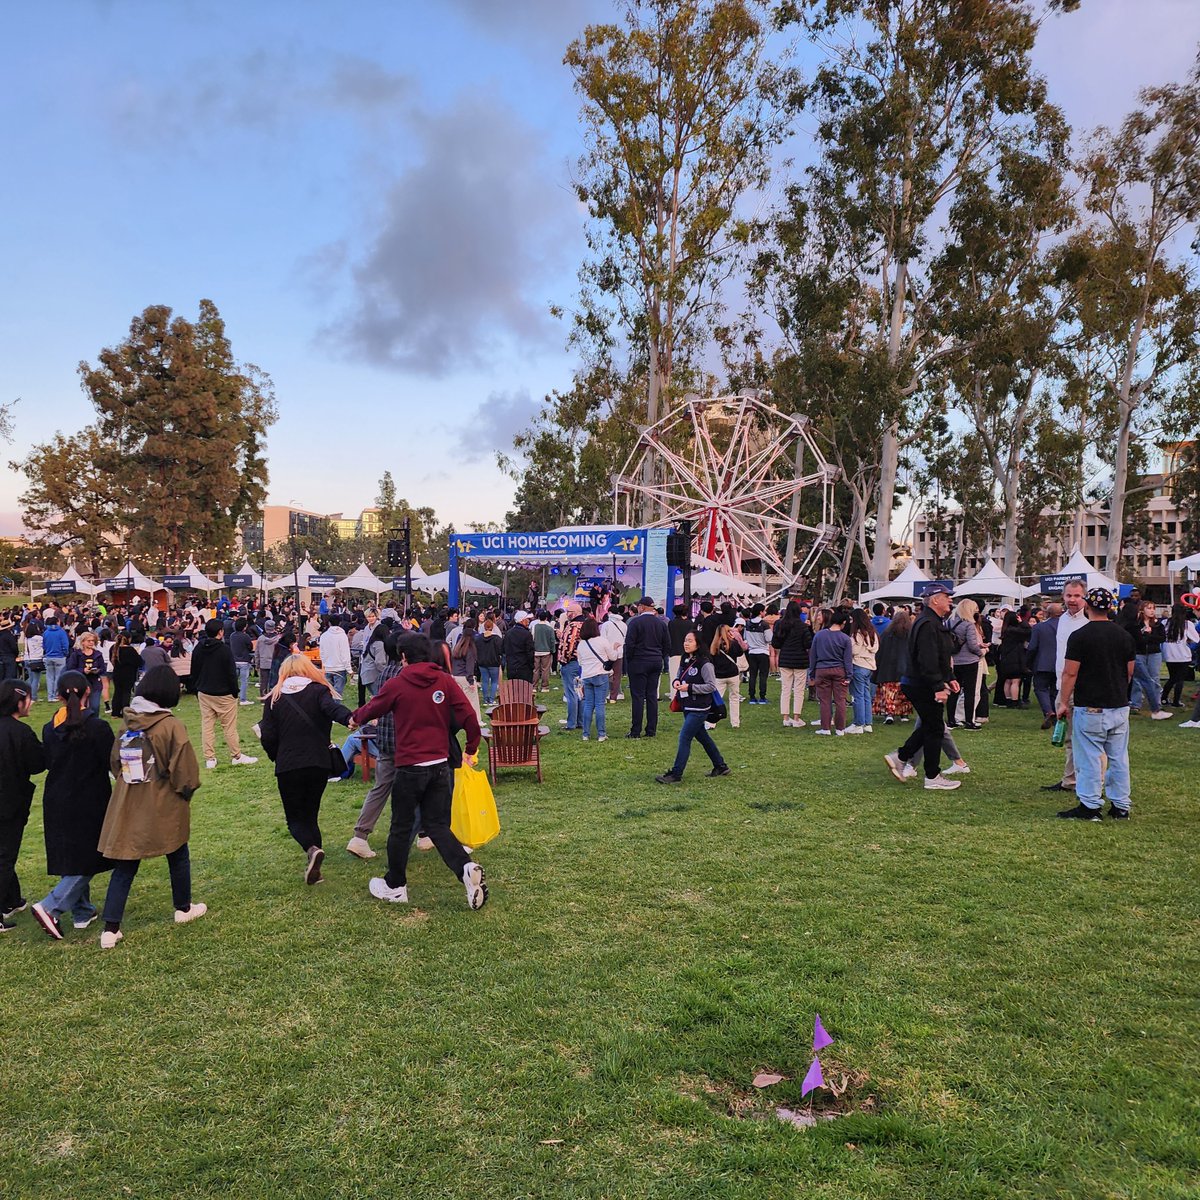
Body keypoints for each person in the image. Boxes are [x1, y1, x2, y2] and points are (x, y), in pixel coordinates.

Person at [351, 634, 488, 910]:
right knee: (437, 825)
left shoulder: (398, 683)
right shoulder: (445, 681)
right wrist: (471, 747)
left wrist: (354, 718)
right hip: (439, 767)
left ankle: (395, 885)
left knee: (401, 828)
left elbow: (373, 707)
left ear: (403, 657)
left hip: (410, 768)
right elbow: (471, 719)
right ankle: (465, 867)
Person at [96, 666, 206, 947]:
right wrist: (185, 792)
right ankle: (183, 908)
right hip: (163, 800)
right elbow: (185, 772)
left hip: (128, 801)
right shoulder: (170, 725)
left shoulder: (126, 722)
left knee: (125, 864)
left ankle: (111, 928)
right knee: (178, 852)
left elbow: (114, 763)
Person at [30, 672, 115, 939]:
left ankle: (82, 910)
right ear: (88, 692)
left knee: (73, 853)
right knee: (90, 856)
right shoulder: (98, 728)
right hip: (89, 799)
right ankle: (51, 906)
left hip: (57, 797)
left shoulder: (49, 728)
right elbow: (111, 762)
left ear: (58, 695)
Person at [259, 655, 353, 884]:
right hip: (318, 762)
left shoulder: (275, 698)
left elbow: (268, 736)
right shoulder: (318, 691)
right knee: (311, 815)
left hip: (289, 764)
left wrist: (276, 756)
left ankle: (312, 851)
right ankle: (316, 868)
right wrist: (350, 718)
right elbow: (332, 709)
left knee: (294, 819)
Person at [1055, 588, 1136, 820]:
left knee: (1089, 756)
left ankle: (1090, 806)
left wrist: (1063, 703)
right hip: (1119, 705)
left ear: (1087, 607)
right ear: (1111, 607)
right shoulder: (1124, 636)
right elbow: (1130, 672)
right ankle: (1121, 805)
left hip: (1090, 705)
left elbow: (1070, 673)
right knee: (1119, 757)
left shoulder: (1080, 636)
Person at [883, 585, 962, 790]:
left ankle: (901, 757)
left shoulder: (931, 622)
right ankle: (931, 776)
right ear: (934, 600)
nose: (950, 601)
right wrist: (938, 685)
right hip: (923, 684)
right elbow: (927, 658)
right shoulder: (928, 624)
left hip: (921, 682)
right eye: (947, 597)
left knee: (931, 725)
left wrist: (949, 677)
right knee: (934, 727)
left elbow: (940, 655)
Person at [346, 636, 405, 859]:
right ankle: (424, 832)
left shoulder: (382, 675)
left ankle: (360, 836)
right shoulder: (402, 676)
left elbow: (375, 706)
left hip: (385, 741)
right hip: (403, 740)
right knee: (416, 788)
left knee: (380, 788)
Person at [0, 680, 47, 931]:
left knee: (5, 853)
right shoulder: (20, 732)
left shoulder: (17, 732)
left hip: (9, 800)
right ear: (19, 701)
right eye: (29, 698)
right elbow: (38, 763)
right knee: (5, 855)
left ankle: (11, 899)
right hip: (8, 802)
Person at [655, 631, 729, 783]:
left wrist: (690, 688)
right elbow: (680, 675)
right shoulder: (686, 658)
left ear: (698, 644)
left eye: (690, 641)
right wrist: (676, 681)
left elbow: (710, 686)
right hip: (687, 705)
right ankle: (721, 766)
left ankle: (676, 774)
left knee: (684, 737)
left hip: (699, 708)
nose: (686, 643)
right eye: (685, 640)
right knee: (702, 737)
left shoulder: (705, 663)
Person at [1041, 581, 1090, 795]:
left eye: (1077, 595)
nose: (1072, 599)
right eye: (1069, 595)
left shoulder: (1089, 621)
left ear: (1085, 597)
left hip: (1082, 687)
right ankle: (1070, 780)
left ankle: (1086, 782)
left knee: (1084, 738)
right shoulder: (1061, 620)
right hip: (1063, 685)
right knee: (1068, 737)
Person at [191, 619, 257, 770]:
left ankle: (210, 758)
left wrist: (196, 689)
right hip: (223, 693)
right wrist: (235, 692)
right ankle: (236, 756)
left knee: (207, 725)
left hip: (205, 692)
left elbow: (193, 671)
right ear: (220, 632)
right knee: (229, 727)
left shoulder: (198, 648)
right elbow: (230, 673)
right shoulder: (224, 650)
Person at [622, 596, 670, 739]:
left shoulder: (635, 623)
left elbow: (629, 644)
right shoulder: (661, 624)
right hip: (655, 661)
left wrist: (630, 660)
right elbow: (667, 645)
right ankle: (651, 730)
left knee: (637, 697)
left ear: (641, 607)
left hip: (638, 662)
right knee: (651, 696)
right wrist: (660, 657)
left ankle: (636, 730)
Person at [808, 610, 852, 735]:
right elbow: (847, 659)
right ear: (843, 622)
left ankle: (825, 728)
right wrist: (848, 676)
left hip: (821, 669)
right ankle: (840, 729)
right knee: (840, 700)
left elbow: (813, 656)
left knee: (824, 700)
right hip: (839, 670)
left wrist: (812, 673)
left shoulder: (819, 635)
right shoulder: (845, 638)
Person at [946, 598, 987, 729]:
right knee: (970, 691)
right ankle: (969, 721)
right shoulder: (969, 624)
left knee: (954, 690)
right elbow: (972, 645)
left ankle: (951, 720)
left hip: (953, 660)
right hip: (969, 661)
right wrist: (982, 651)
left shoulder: (949, 622)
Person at [772, 600, 813, 728]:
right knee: (799, 689)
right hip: (800, 660)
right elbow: (808, 644)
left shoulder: (780, 624)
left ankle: (785, 717)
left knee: (785, 689)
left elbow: (775, 643)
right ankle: (796, 717)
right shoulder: (802, 626)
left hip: (785, 659)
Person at [577, 615, 617, 742]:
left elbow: (580, 662)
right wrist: (615, 648)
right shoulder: (602, 641)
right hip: (600, 674)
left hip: (587, 675)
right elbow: (613, 657)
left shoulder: (581, 644)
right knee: (600, 705)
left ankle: (585, 734)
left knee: (588, 704)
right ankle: (601, 734)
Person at [1130, 600, 1171, 719]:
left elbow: (1162, 638)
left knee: (1154, 678)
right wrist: (1145, 635)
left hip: (1154, 653)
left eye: (1153, 608)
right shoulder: (1137, 624)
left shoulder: (1158, 624)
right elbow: (1136, 638)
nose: (1152, 610)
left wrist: (1150, 635)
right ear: (1142, 610)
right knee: (1138, 679)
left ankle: (1156, 703)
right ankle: (1136, 703)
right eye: (1149, 608)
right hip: (1140, 653)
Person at [873, 609, 914, 724]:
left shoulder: (887, 634)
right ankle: (904, 713)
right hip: (906, 669)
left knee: (889, 693)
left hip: (888, 669)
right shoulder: (911, 635)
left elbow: (880, 652)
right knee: (904, 694)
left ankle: (889, 713)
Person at [1026, 601, 1062, 728]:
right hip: (1060, 664)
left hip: (1042, 663)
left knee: (1040, 688)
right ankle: (1055, 713)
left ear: (1047, 613)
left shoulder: (1039, 627)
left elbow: (1032, 647)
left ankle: (1048, 711)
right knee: (1055, 690)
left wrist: (1028, 663)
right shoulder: (1066, 627)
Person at [847, 608, 878, 733]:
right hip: (869, 666)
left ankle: (858, 723)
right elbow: (875, 648)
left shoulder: (857, 634)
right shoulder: (872, 633)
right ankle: (867, 723)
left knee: (857, 695)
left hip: (858, 665)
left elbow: (854, 651)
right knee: (866, 695)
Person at [1163, 602, 1199, 708]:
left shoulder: (1165, 622)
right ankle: (1176, 701)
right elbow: (1196, 639)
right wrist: (1188, 641)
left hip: (1169, 655)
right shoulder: (1187, 624)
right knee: (1180, 679)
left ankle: (1164, 698)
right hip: (1183, 655)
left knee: (1172, 678)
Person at [64, 629, 107, 716]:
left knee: (95, 706)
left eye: (93, 641)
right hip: (80, 683)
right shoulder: (76, 654)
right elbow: (70, 669)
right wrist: (82, 670)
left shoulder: (98, 654)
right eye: (89, 641)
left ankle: (94, 724)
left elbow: (103, 668)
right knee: (80, 706)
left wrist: (96, 671)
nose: (91, 643)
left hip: (95, 683)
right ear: (83, 642)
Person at [710, 623, 745, 729]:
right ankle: (735, 722)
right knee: (734, 698)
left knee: (716, 699)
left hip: (719, 676)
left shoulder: (714, 645)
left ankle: (711, 723)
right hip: (733, 674)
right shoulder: (733, 643)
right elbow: (740, 652)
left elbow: (711, 659)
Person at [557, 604, 585, 732]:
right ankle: (580, 721)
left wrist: (564, 660)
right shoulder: (585, 624)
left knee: (571, 693)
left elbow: (570, 644)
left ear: (574, 613)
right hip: (581, 663)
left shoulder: (574, 625)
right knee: (579, 692)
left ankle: (571, 723)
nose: (567, 613)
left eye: (569, 611)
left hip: (571, 662)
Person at [109, 632, 142, 718]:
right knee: (126, 693)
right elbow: (139, 661)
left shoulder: (113, 648)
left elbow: (111, 659)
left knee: (117, 692)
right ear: (128, 639)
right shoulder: (130, 650)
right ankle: (125, 711)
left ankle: (115, 712)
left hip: (117, 673)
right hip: (128, 674)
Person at [743, 605, 771, 704]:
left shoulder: (747, 624)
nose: (765, 613)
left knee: (753, 675)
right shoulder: (764, 625)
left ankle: (752, 697)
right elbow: (769, 639)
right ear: (760, 612)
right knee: (763, 675)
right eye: (764, 611)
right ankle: (762, 697)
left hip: (752, 652)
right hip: (763, 652)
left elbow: (745, 637)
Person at [318, 618, 351, 697]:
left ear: (329, 623)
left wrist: (324, 664)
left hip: (328, 668)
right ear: (340, 623)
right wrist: (349, 669)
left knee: (328, 693)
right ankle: (334, 709)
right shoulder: (342, 636)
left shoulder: (324, 636)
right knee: (337, 694)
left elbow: (321, 652)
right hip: (340, 668)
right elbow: (345, 653)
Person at [476, 616, 504, 706]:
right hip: (494, 662)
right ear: (493, 627)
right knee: (494, 681)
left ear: (484, 627)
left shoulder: (478, 638)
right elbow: (501, 650)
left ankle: (485, 700)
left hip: (482, 662)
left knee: (484, 681)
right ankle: (491, 700)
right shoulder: (497, 639)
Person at [502, 610, 536, 684]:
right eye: (527, 619)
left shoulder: (508, 633)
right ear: (522, 621)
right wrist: (532, 665)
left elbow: (504, 649)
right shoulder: (527, 634)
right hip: (524, 668)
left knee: (513, 690)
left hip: (511, 667)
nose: (529, 621)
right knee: (524, 690)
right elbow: (530, 652)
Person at [603, 606, 627, 703]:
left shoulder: (606, 625)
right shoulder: (624, 625)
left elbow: (603, 639)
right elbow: (625, 639)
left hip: (607, 653)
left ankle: (604, 696)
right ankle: (613, 697)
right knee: (617, 675)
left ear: (609, 612)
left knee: (604, 674)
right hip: (619, 652)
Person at [42, 616, 70, 699]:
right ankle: (56, 694)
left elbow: (43, 645)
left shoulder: (46, 632)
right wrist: (65, 653)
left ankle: (50, 696)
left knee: (49, 677)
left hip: (48, 656)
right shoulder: (61, 632)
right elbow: (65, 644)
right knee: (59, 676)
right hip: (60, 656)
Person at [230, 617, 257, 705]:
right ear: (244, 627)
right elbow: (250, 647)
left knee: (234, 681)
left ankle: (232, 697)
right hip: (244, 661)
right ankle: (243, 699)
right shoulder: (245, 636)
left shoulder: (232, 636)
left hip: (234, 660)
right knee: (244, 681)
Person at [531, 610, 556, 694]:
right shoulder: (549, 628)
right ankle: (544, 687)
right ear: (546, 618)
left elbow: (532, 638)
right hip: (546, 651)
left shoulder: (534, 627)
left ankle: (534, 686)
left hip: (536, 650)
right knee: (545, 669)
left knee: (535, 669)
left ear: (538, 617)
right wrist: (553, 650)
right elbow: (552, 640)